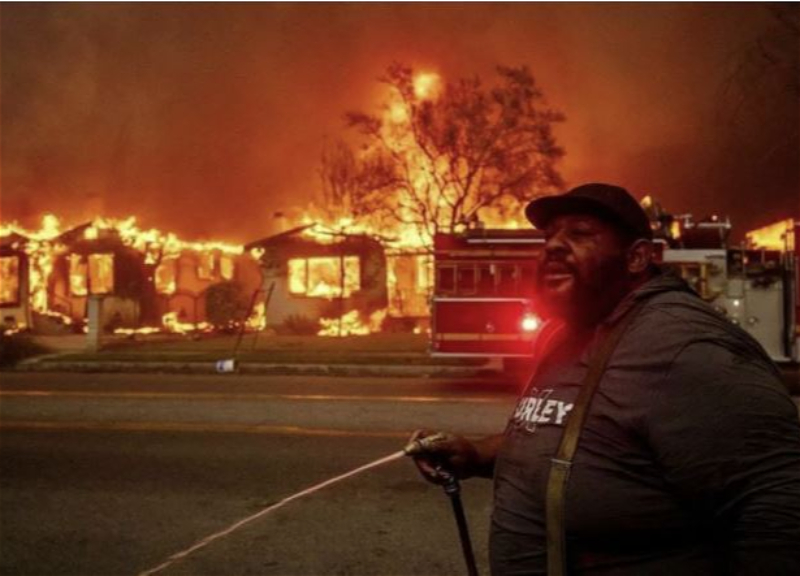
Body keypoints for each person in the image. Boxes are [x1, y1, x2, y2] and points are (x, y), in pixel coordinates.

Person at [409, 183, 800, 575]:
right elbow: (566, 434)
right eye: (550, 236)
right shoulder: (564, 334)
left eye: (579, 234)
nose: (553, 246)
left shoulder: (682, 344)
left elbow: (777, 506)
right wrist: (477, 455)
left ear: (637, 257)